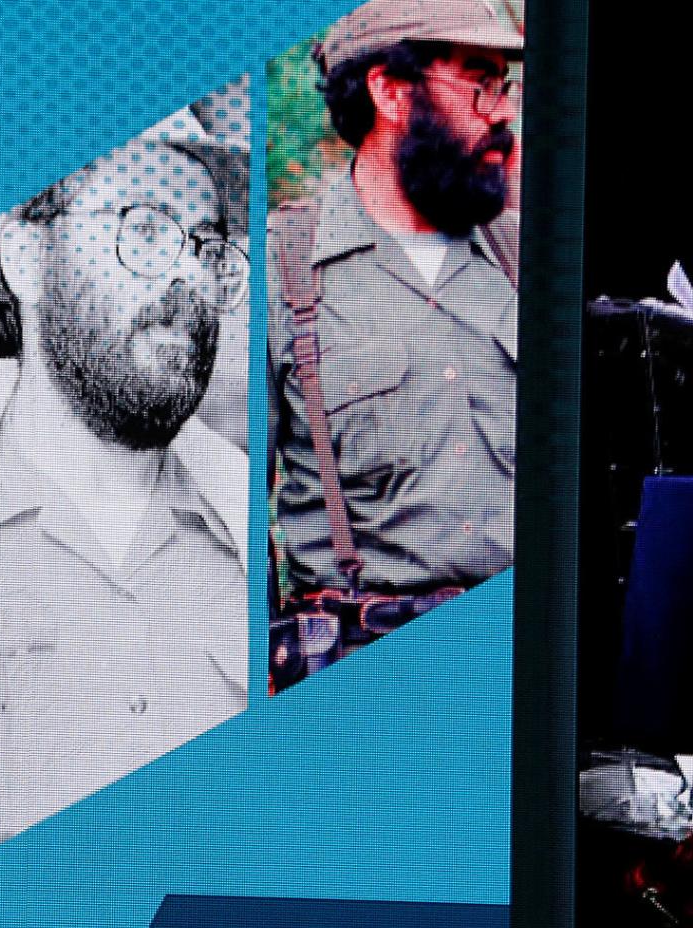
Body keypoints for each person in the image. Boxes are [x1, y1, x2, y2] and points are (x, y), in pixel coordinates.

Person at [0, 104, 251, 878]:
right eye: (145, 228)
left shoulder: (256, 532)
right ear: (27, 258)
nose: (188, 274)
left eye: (209, 247)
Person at [268, 0, 522, 683]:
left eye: (505, 85)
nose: (502, 112)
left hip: (521, 668)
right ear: (390, 92)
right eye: (480, 81)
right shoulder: (281, 273)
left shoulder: (524, 256)